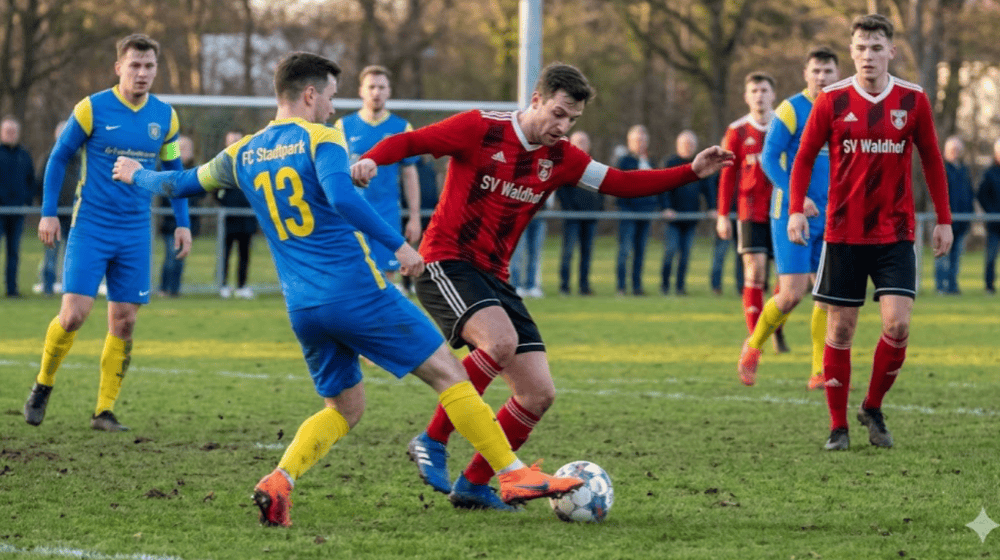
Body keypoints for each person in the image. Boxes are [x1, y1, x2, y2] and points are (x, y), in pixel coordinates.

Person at [112, 51, 586, 526]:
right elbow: (340, 197)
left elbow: (180, 183)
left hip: (303, 306)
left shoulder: (242, 153)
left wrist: (138, 175)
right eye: (332, 97)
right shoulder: (323, 139)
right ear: (310, 94)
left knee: (344, 408)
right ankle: (511, 472)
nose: (334, 109)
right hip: (357, 293)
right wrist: (399, 245)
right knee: (451, 376)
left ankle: (280, 481)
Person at [350, 62, 734, 510]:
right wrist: (373, 159)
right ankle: (432, 439)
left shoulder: (563, 157)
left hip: (495, 276)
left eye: (572, 119)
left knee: (537, 393)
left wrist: (691, 171)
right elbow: (413, 141)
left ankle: (473, 485)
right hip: (445, 262)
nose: (562, 126)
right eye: (557, 113)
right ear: (535, 100)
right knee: (499, 342)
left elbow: (621, 182)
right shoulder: (480, 128)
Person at [788, 14, 952, 451]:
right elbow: (803, 158)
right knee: (840, 331)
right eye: (860, 48)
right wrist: (795, 211)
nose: (867, 56)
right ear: (852, 52)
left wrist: (945, 220)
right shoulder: (832, 99)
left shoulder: (913, 100)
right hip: (843, 234)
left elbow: (933, 160)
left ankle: (873, 406)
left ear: (891, 52)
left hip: (895, 233)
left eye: (876, 48)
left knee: (897, 325)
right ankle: (837, 426)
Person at [23, 33, 192, 432]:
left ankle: (104, 411)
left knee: (125, 322)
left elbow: (173, 173)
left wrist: (182, 222)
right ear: (119, 67)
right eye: (135, 65)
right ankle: (43, 383)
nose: (143, 73)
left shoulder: (165, 118)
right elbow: (59, 157)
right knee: (73, 316)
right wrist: (49, 213)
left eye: (149, 66)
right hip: (91, 226)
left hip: (135, 231)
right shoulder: (92, 109)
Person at [739, 47, 840, 389]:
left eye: (828, 71)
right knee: (792, 293)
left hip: (832, 214)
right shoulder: (791, 108)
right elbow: (769, 160)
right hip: (791, 214)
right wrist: (799, 200)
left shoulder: (844, 107)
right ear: (805, 74)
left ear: (837, 73)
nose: (822, 77)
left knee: (827, 294)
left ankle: (818, 372)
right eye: (816, 71)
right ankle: (753, 346)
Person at [717, 72, 788, 352]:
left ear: (773, 94)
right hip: (749, 211)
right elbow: (727, 175)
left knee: (786, 280)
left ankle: (776, 328)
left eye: (764, 90)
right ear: (746, 96)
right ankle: (756, 338)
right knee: (755, 271)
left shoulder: (785, 127)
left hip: (782, 210)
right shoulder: (736, 131)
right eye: (754, 90)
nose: (759, 95)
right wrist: (723, 214)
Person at [334, 65, 421, 286]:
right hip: (352, 213)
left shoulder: (401, 127)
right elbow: (334, 174)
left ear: (389, 91)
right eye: (371, 87)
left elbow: (410, 174)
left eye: (381, 87)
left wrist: (414, 216)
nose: (376, 92)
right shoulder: (343, 126)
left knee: (387, 280)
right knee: (353, 278)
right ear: (361, 91)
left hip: (387, 214)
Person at [659, 130, 715, 296]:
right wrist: (666, 208)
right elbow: (663, 187)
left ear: (695, 146)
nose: (687, 147)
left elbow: (708, 189)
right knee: (670, 252)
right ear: (678, 145)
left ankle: (680, 287)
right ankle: (665, 286)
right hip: (673, 218)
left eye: (690, 144)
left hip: (691, 218)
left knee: (685, 255)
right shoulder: (669, 162)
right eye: (684, 144)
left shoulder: (700, 163)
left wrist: (712, 207)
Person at [34, 121, 79, 296]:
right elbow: (40, 184)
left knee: (73, 254)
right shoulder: (49, 158)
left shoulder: (81, 159)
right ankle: (48, 286)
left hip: (75, 215)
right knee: (51, 253)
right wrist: (47, 212)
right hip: (55, 215)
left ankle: (71, 289)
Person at [556, 130, 602, 296]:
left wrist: (598, 209)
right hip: (572, 217)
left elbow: (602, 188)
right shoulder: (565, 164)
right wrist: (570, 210)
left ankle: (584, 286)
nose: (582, 145)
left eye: (584, 142)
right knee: (568, 252)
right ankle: (564, 286)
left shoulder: (595, 166)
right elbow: (561, 191)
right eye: (578, 142)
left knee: (587, 253)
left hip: (590, 217)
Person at [614, 125, 657, 296]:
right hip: (628, 212)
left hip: (646, 213)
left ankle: (637, 287)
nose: (640, 143)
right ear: (629, 142)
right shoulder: (624, 161)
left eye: (643, 140)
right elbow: (619, 185)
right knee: (625, 251)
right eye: (636, 140)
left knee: (640, 252)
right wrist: (624, 208)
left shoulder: (651, 162)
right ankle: (621, 287)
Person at [217, 129, 258, 299]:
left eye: (237, 140)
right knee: (224, 254)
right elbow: (213, 190)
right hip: (227, 220)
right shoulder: (219, 164)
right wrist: (223, 201)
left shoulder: (252, 164)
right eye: (231, 140)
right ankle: (223, 285)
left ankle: (242, 286)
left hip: (247, 219)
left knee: (244, 255)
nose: (234, 143)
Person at [157, 135, 197, 297]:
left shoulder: (196, 170)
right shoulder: (167, 169)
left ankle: (175, 290)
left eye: (186, 149)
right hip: (170, 223)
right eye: (179, 149)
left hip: (187, 223)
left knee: (180, 258)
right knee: (171, 258)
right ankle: (164, 288)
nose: (183, 152)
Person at [0, 116, 35, 298]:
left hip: (17, 212)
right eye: (8, 131)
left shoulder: (24, 155)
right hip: (0, 212)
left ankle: (11, 289)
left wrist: (27, 202)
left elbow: (31, 181)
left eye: (14, 132)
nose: (11, 135)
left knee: (14, 253)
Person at [934, 136, 973, 295]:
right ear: (946, 152)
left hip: (961, 221)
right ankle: (940, 286)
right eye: (952, 150)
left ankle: (952, 285)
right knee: (942, 254)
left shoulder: (964, 170)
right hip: (945, 221)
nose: (955, 153)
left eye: (957, 150)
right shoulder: (941, 169)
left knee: (956, 256)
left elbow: (969, 194)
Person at [509, 203, 548, 298]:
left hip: (539, 215)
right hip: (520, 214)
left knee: (535, 254)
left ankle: (532, 286)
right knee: (517, 253)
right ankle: (515, 285)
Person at [979, 138, 1000, 296]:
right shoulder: (990, 173)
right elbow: (981, 195)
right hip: (994, 224)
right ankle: (989, 286)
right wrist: (991, 212)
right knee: (991, 256)